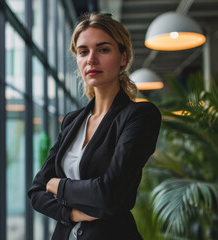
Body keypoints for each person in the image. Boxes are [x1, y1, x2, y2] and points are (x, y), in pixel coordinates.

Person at [28, 12, 161, 240]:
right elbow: (37, 192)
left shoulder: (139, 116)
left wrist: (58, 185)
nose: (91, 59)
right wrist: (70, 213)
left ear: (122, 57)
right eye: (83, 51)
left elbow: (109, 195)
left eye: (103, 49)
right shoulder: (72, 121)